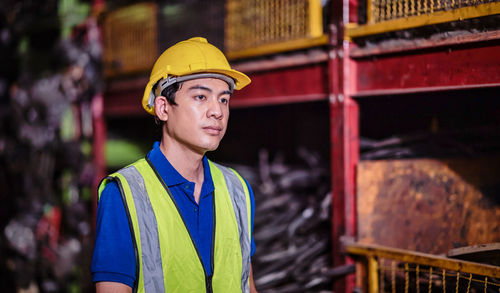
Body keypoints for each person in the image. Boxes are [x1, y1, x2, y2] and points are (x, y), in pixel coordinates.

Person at [91, 37, 258, 293]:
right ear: (163, 108)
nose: (217, 111)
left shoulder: (237, 190)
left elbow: (247, 284)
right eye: (201, 96)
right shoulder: (124, 194)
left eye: (224, 100)